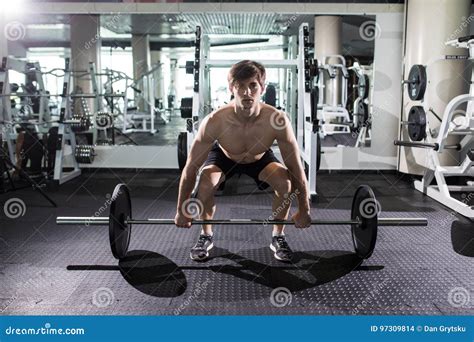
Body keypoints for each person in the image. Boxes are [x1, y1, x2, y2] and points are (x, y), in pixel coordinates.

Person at [175, 60, 311, 262]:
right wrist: (181, 210)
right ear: (231, 88)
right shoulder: (215, 121)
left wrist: (304, 209)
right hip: (224, 155)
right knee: (205, 182)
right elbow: (190, 168)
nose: (247, 92)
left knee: (286, 182)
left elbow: (295, 167)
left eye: (253, 85)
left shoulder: (277, 120)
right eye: (240, 86)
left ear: (262, 88)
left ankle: (278, 236)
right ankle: (206, 234)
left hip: (259, 157)